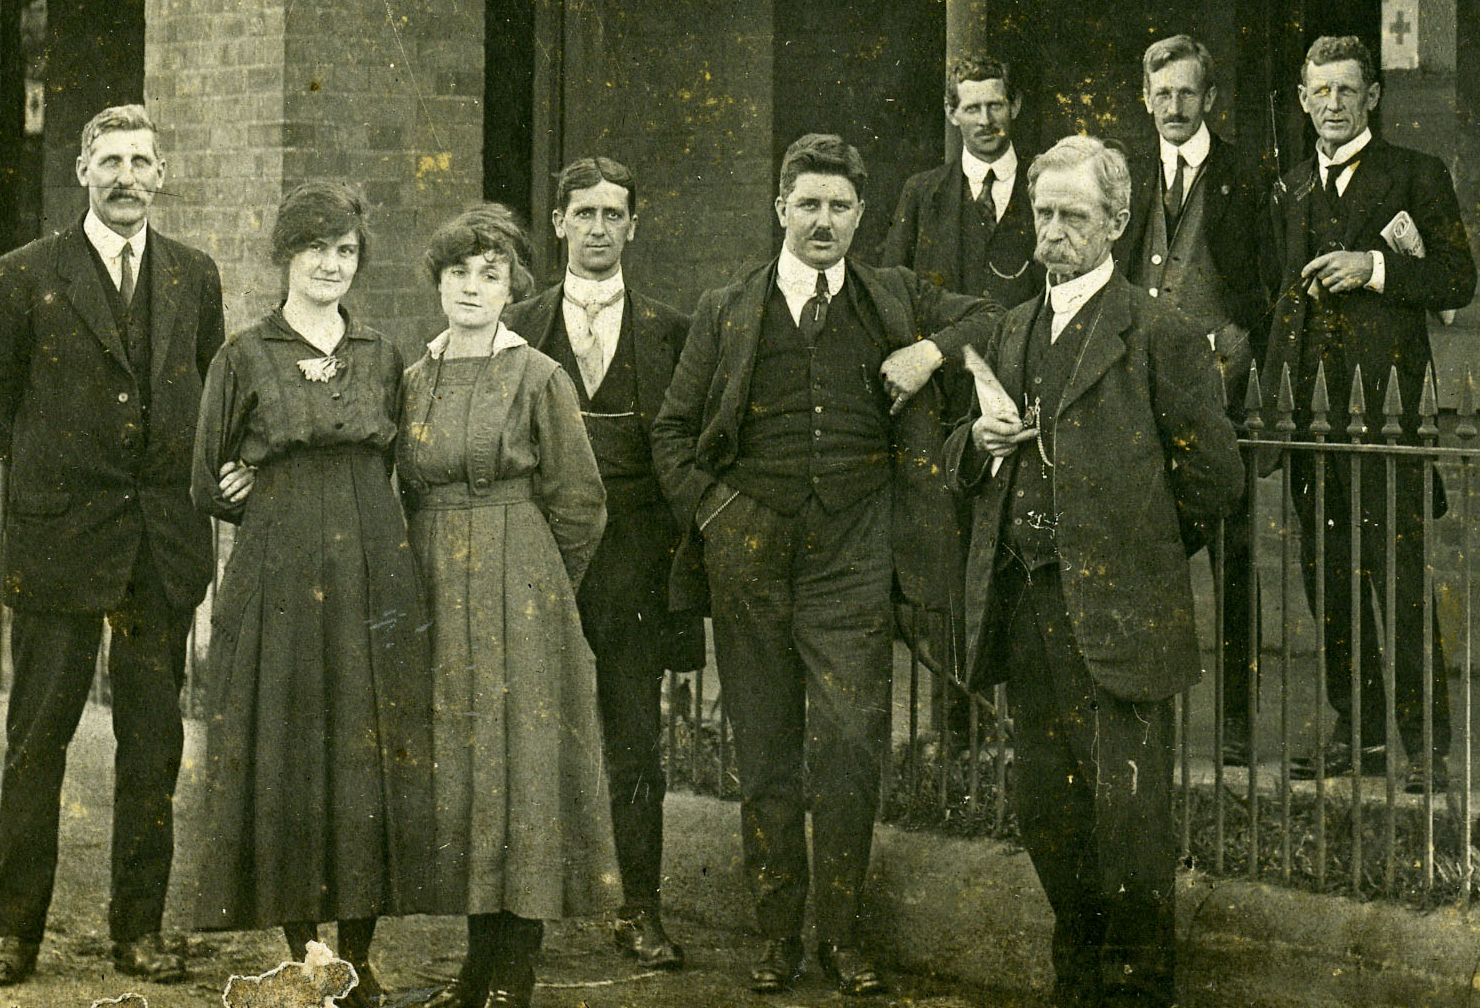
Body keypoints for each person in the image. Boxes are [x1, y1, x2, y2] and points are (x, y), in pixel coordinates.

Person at [652, 134, 984, 996]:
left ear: (862, 215)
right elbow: (672, 433)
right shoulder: (729, 307)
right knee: (764, 753)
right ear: (781, 211)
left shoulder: (896, 297)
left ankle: (839, 933)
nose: (824, 220)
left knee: (850, 746)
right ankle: (774, 935)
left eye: (839, 206)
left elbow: (998, 318)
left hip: (853, 554)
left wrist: (932, 353)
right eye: (808, 205)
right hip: (751, 556)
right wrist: (717, 516)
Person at [953, 136, 1246, 1008]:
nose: (1053, 233)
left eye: (1073, 216)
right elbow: (964, 462)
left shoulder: (1157, 330)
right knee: (1046, 807)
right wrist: (975, 442)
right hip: (1029, 605)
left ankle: (1136, 987)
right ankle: (1075, 976)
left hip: (1123, 614)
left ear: (1117, 222)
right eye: (1043, 214)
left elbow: (1215, 481)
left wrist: (1137, 555)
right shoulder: (1013, 328)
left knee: (1129, 821)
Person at [0, 104, 224, 988]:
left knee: (152, 747)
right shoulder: (23, 275)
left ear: (161, 175)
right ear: (82, 172)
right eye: (108, 160)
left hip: (159, 549)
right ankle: (15, 935)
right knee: (39, 740)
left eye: (140, 162)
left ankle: (139, 932)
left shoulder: (194, 276)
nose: (125, 178)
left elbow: (201, 392)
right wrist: (54, 472)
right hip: (61, 543)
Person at [181, 184, 435, 1008]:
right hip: (281, 565)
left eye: (346, 252)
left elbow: (405, 461)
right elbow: (207, 477)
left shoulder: (383, 352)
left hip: (373, 560)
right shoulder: (245, 354)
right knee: (288, 745)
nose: (332, 266)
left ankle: (359, 954)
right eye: (317, 249)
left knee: (368, 744)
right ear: (286, 257)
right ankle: (309, 952)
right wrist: (249, 485)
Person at [406, 202, 617, 1008]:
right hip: (437, 585)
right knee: (464, 773)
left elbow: (581, 503)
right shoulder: (414, 377)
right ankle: (472, 969)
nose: (471, 286)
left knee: (522, 773)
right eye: (458, 272)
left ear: (512, 286)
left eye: (490, 274)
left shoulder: (539, 375)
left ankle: (514, 973)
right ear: (438, 282)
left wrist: (534, 583)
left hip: (523, 591)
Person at [507, 157, 701, 974]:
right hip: (540, 560)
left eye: (612, 215)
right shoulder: (515, 324)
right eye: (582, 213)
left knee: (631, 736)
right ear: (557, 223)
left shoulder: (670, 328)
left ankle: (639, 907)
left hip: (634, 568)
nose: (596, 229)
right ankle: (524, 914)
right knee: (532, 732)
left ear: (633, 226)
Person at [1274, 32, 1475, 790]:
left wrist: (1376, 267)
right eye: (1319, 92)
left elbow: (1459, 278)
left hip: (1388, 417)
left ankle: (1427, 745)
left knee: (1400, 582)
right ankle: (1357, 733)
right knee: (1328, 582)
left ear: (1373, 97)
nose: (1333, 105)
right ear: (1302, 99)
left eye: (1347, 91)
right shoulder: (1290, 186)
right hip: (1312, 421)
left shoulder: (1416, 174)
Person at [1121, 35, 1275, 769]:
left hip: (1224, 392)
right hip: (1140, 391)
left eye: (1187, 93)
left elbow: (1266, 284)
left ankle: (1237, 724)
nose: (1174, 107)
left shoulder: (1246, 173)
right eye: (1162, 94)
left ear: (1209, 99)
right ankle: (1144, 710)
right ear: (1145, 98)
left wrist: (1241, 352)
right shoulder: (1128, 173)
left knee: (1233, 560)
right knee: (1143, 550)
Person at [874, 56, 1042, 311]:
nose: (985, 121)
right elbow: (891, 292)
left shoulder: (1044, 187)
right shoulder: (921, 192)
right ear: (951, 113)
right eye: (972, 109)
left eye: (995, 106)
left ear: (1015, 105)